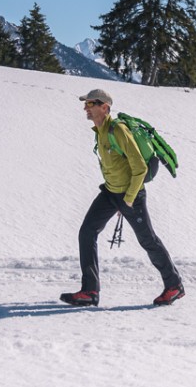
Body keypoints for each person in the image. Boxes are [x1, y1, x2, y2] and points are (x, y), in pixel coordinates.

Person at [61, 89, 185, 308]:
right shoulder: (99, 131)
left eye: (90, 104)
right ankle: (90, 291)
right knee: (87, 232)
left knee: (148, 240)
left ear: (104, 107)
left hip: (130, 195)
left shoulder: (118, 130)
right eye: (86, 104)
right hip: (110, 192)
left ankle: (174, 285)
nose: (85, 108)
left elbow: (139, 167)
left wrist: (127, 199)